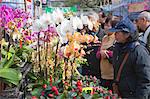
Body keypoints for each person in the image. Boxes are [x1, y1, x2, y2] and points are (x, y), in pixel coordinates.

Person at [110, 17, 150, 98]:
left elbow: (145, 81)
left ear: (127, 34)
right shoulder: (118, 48)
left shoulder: (139, 51)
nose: (115, 34)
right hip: (121, 94)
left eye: (118, 32)